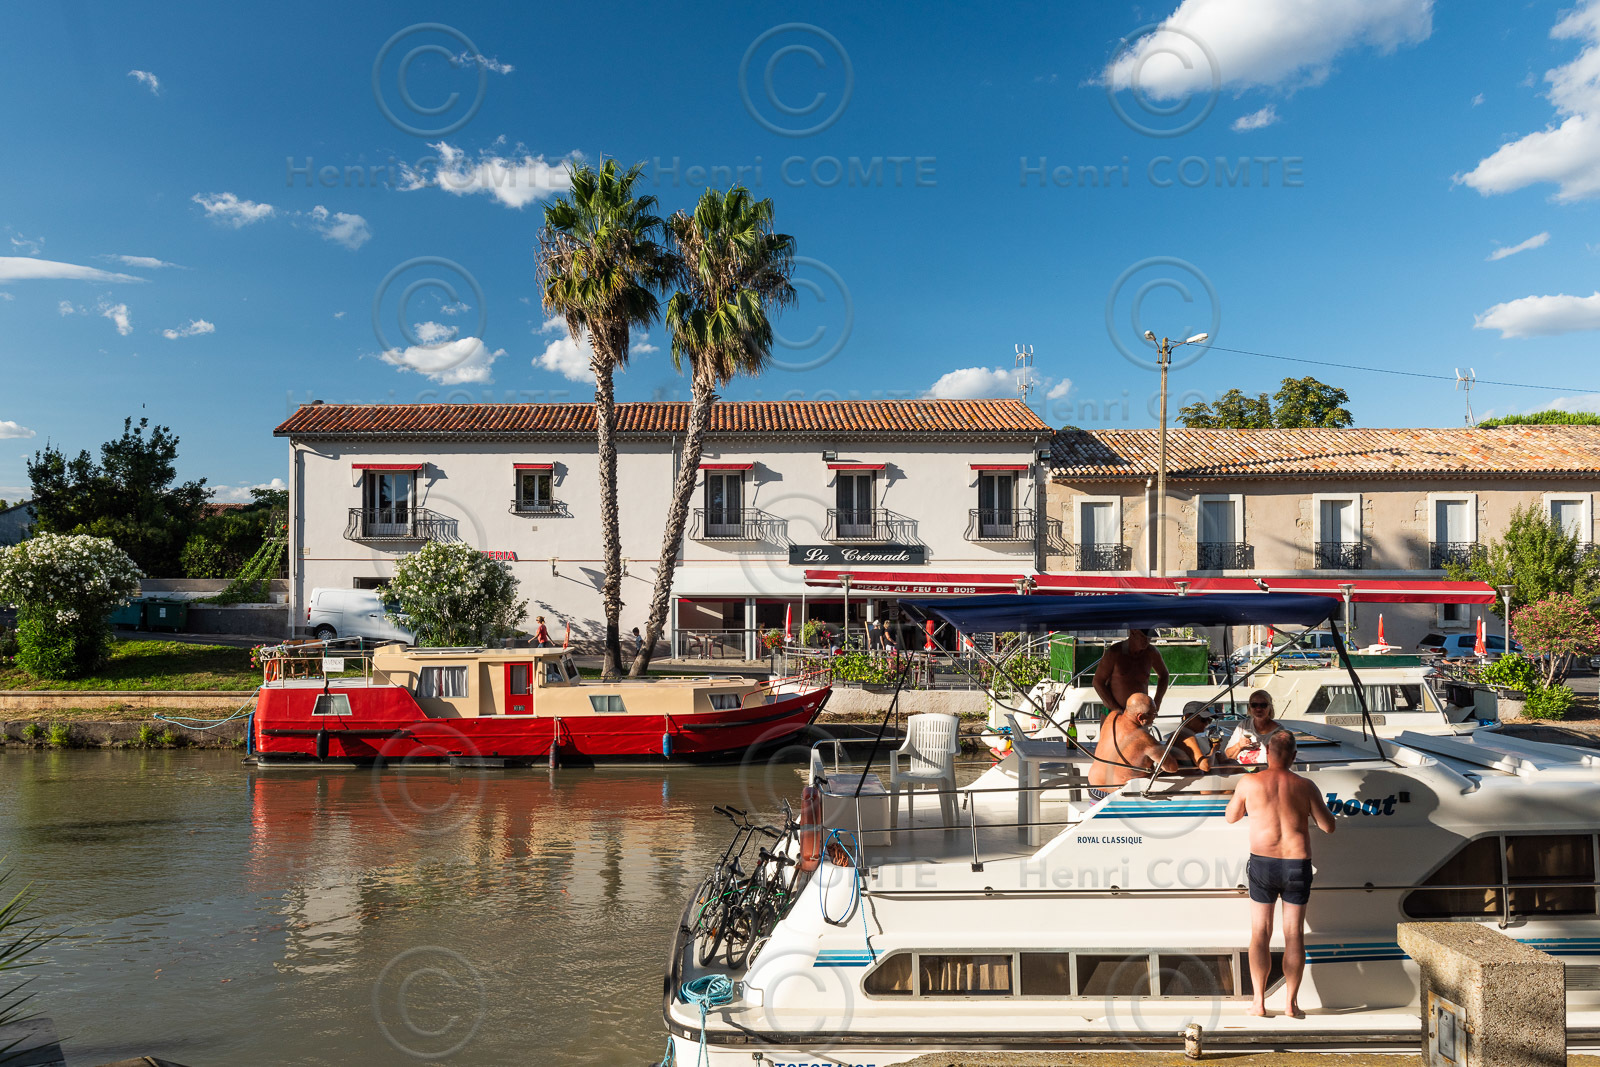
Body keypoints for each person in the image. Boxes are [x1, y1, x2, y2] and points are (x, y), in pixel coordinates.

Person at [1224, 730, 1336, 1019]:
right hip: (1296, 864)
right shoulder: (1306, 785)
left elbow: (1231, 816)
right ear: (1294, 756)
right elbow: (1328, 827)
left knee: (1260, 933)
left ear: (1267, 754)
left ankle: (1259, 1002)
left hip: (1263, 863)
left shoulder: (1249, 782)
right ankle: (1291, 1004)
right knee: (1294, 934)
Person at [1086, 692, 1182, 799]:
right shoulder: (1143, 738)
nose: (1155, 718)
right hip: (1117, 796)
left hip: (1093, 787)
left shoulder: (1112, 717)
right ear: (1141, 717)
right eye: (1153, 714)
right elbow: (1171, 767)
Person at [1092, 628, 1170, 714]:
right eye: (1143, 636)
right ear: (1133, 632)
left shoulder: (1152, 653)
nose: (1146, 641)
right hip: (1113, 713)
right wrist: (1116, 709)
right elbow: (1097, 682)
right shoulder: (1114, 652)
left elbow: (1164, 675)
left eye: (1149, 638)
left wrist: (1157, 702)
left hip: (1139, 715)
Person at [1226, 690, 1285, 765]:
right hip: (1241, 773)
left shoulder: (1279, 731)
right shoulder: (1243, 725)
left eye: (1263, 705)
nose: (1258, 709)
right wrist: (1239, 746)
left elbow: (1283, 761)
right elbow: (1228, 755)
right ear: (1250, 707)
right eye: (1254, 705)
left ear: (1270, 707)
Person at [1172, 701, 1218, 772]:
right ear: (1187, 717)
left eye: (1209, 720)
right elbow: (1205, 766)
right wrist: (1214, 749)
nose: (1206, 723)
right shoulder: (1187, 738)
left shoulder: (1178, 734)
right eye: (1203, 719)